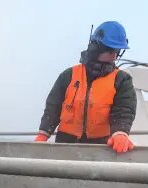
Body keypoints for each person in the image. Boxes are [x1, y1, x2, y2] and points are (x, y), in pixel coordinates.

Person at [35, 21, 137, 153]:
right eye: (110, 50)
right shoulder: (69, 75)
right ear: (96, 48)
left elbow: (124, 109)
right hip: (66, 144)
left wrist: (121, 132)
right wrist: (43, 133)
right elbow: (53, 107)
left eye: (117, 51)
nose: (114, 55)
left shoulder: (122, 80)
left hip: (101, 147)